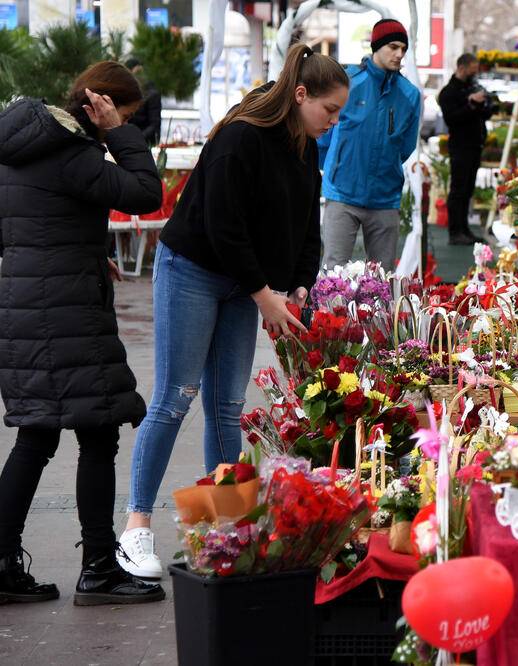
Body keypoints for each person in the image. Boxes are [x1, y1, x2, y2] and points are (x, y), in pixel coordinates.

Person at [118, 44, 350, 579]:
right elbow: (224, 224)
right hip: (195, 269)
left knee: (226, 407)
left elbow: (303, 226)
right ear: (300, 95)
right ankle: (136, 528)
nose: (333, 122)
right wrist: (262, 293)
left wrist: (297, 286)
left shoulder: (304, 146)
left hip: (245, 284)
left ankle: (228, 529)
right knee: (175, 399)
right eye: (329, 110)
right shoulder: (242, 136)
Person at [0, 62, 165, 605]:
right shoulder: (73, 154)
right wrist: (121, 132)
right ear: (103, 105)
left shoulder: (23, 148)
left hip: (27, 307)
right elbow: (145, 193)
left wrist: (86, 254)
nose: (127, 123)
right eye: (127, 113)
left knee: (37, 433)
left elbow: (33, 224)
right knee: (98, 431)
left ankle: (2, 563)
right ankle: (97, 567)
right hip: (65, 313)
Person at [318, 18, 421, 271]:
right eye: (393, 47)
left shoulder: (410, 95)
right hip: (342, 193)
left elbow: (406, 147)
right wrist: (336, 166)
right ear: (377, 46)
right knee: (334, 273)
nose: (399, 54)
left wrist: (387, 167)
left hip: (385, 198)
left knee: (381, 279)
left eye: (403, 49)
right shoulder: (347, 83)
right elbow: (323, 132)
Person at [438, 52, 494, 245]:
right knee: (458, 190)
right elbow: (451, 119)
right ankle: (455, 232)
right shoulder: (449, 92)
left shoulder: (473, 88)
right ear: (462, 68)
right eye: (472, 71)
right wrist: (470, 105)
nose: (475, 75)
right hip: (460, 147)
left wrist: (483, 103)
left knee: (468, 190)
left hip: (475, 145)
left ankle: (464, 229)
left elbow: (486, 113)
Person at [125, 58, 162, 146]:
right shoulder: (128, 91)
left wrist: (137, 140)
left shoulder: (151, 94)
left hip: (144, 143)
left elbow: (154, 123)